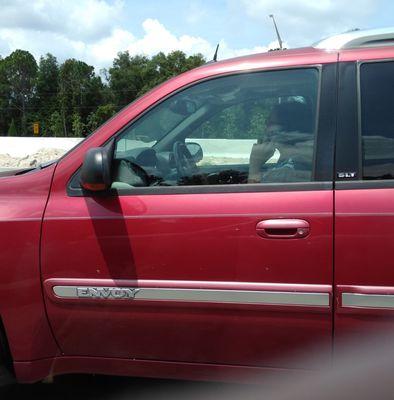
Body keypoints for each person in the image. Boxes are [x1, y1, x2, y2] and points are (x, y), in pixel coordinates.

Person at [248, 101, 314, 183]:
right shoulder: (301, 160)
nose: (266, 126)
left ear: (288, 128)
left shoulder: (283, 174)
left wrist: (254, 166)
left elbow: (254, 195)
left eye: (270, 123)